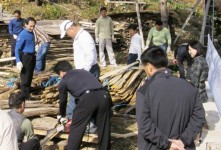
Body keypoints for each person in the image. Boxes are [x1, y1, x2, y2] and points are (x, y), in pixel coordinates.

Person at [136, 46, 205, 150]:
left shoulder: (144, 91)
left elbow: (144, 124)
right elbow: (199, 117)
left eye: (144, 67)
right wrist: (183, 140)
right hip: (183, 147)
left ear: (149, 67)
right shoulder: (189, 87)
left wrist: (168, 144)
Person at [53, 61, 111, 150]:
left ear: (61, 72)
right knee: (104, 128)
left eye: (59, 75)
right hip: (104, 95)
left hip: (87, 98)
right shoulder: (84, 72)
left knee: (76, 128)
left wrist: (63, 115)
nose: (60, 77)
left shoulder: (64, 81)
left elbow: (63, 101)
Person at [15, 17, 36, 99]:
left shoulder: (31, 32)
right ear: (25, 25)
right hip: (26, 57)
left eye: (33, 26)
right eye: (30, 26)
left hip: (32, 56)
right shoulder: (23, 34)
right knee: (25, 78)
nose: (32, 28)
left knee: (30, 76)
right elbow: (17, 48)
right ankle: (23, 96)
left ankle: (27, 94)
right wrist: (18, 61)